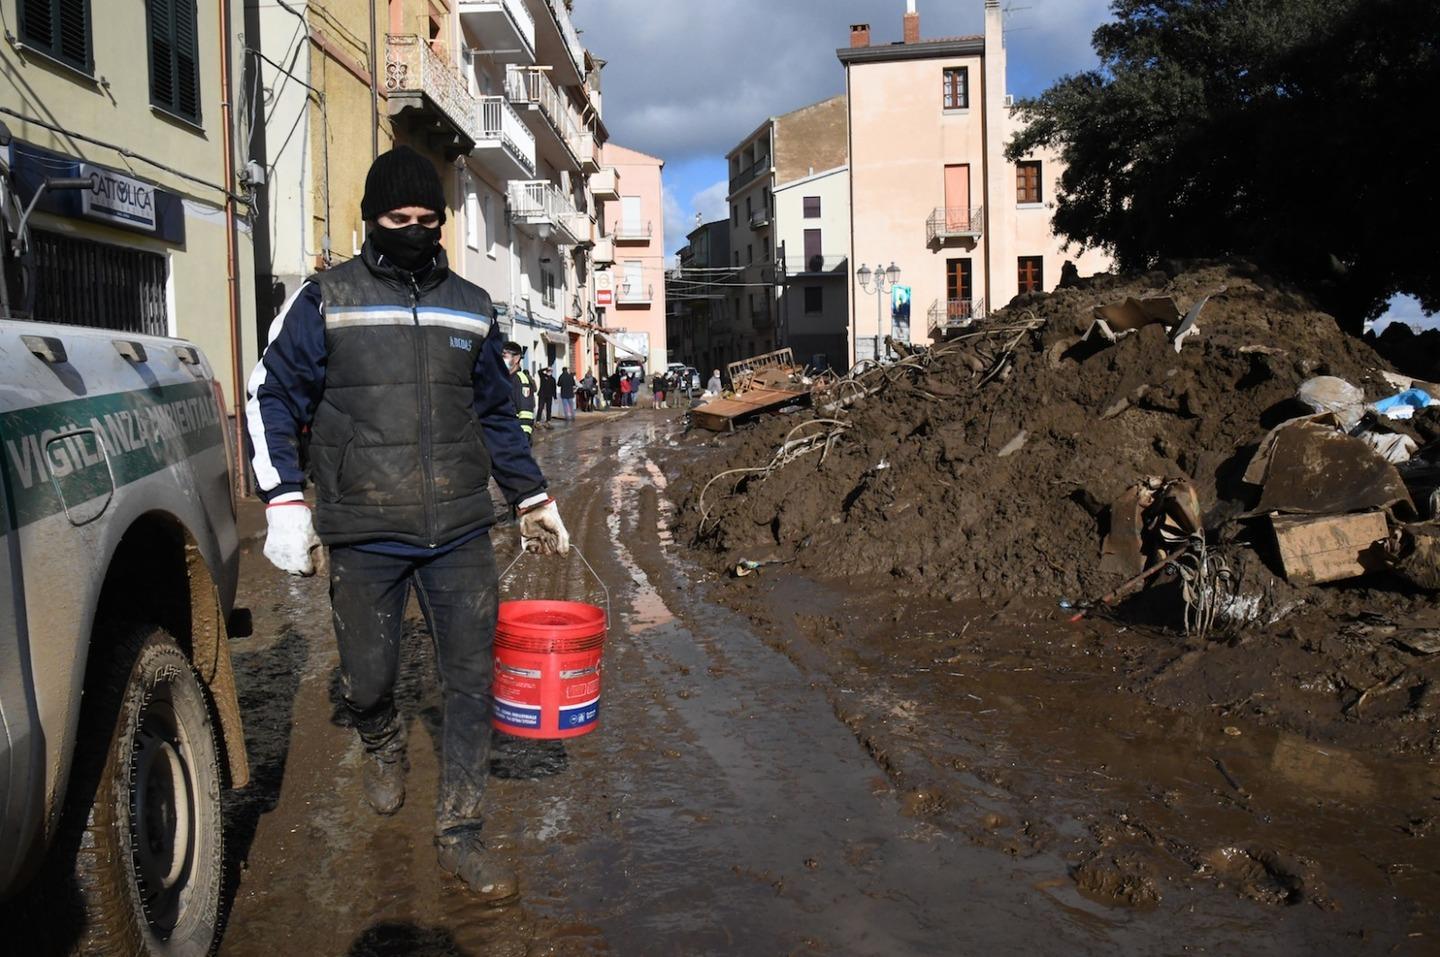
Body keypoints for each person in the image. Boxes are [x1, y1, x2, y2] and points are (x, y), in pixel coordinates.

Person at [246, 145, 570, 904]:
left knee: (471, 677)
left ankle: (460, 830)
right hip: (364, 530)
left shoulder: (471, 304)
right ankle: (380, 733)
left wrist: (532, 496)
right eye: (400, 219)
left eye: (429, 220)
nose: (416, 231)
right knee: (368, 676)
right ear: (371, 219)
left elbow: (496, 413)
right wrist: (285, 500)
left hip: (459, 528)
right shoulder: (326, 299)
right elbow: (271, 395)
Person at [502, 342, 537, 439]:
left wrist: (524, 439)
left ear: (516, 358)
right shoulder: (504, 379)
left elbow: (526, 413)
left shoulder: (520, 381)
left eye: (504, 356)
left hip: (514, 439)